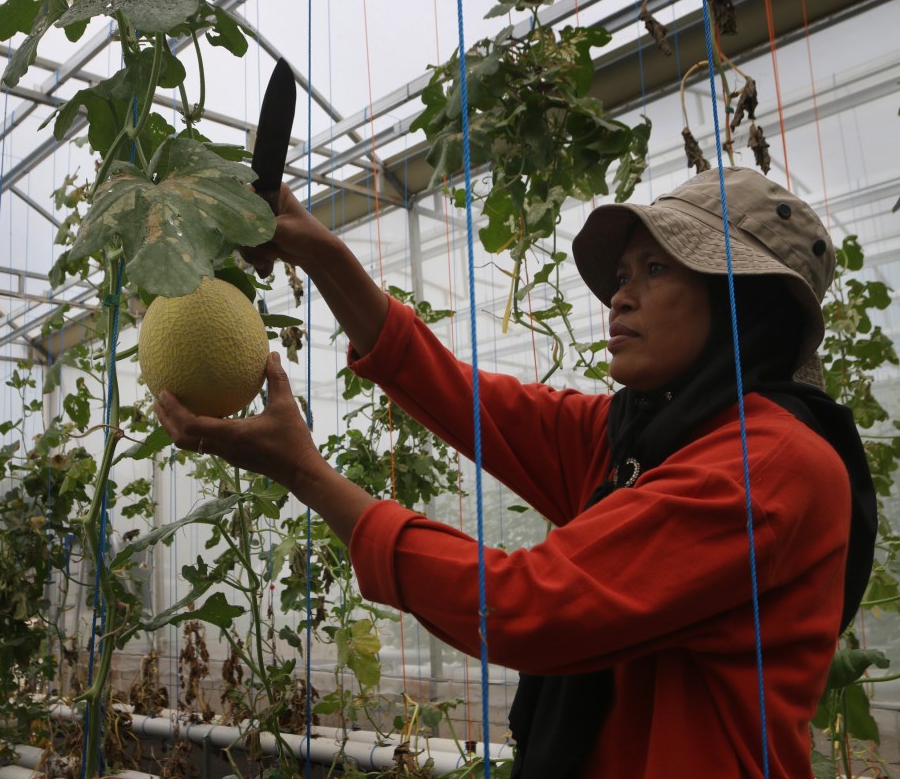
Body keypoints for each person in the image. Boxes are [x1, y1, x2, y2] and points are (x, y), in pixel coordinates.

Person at [153, 166, 878, 778]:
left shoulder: (771, 466)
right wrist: (325, 259)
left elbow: (528, 606)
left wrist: (310, 477)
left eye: (656, 269)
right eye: (622, 273)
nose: (619, 296)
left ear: (743, 303)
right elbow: (467, 400)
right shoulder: (643, 438)